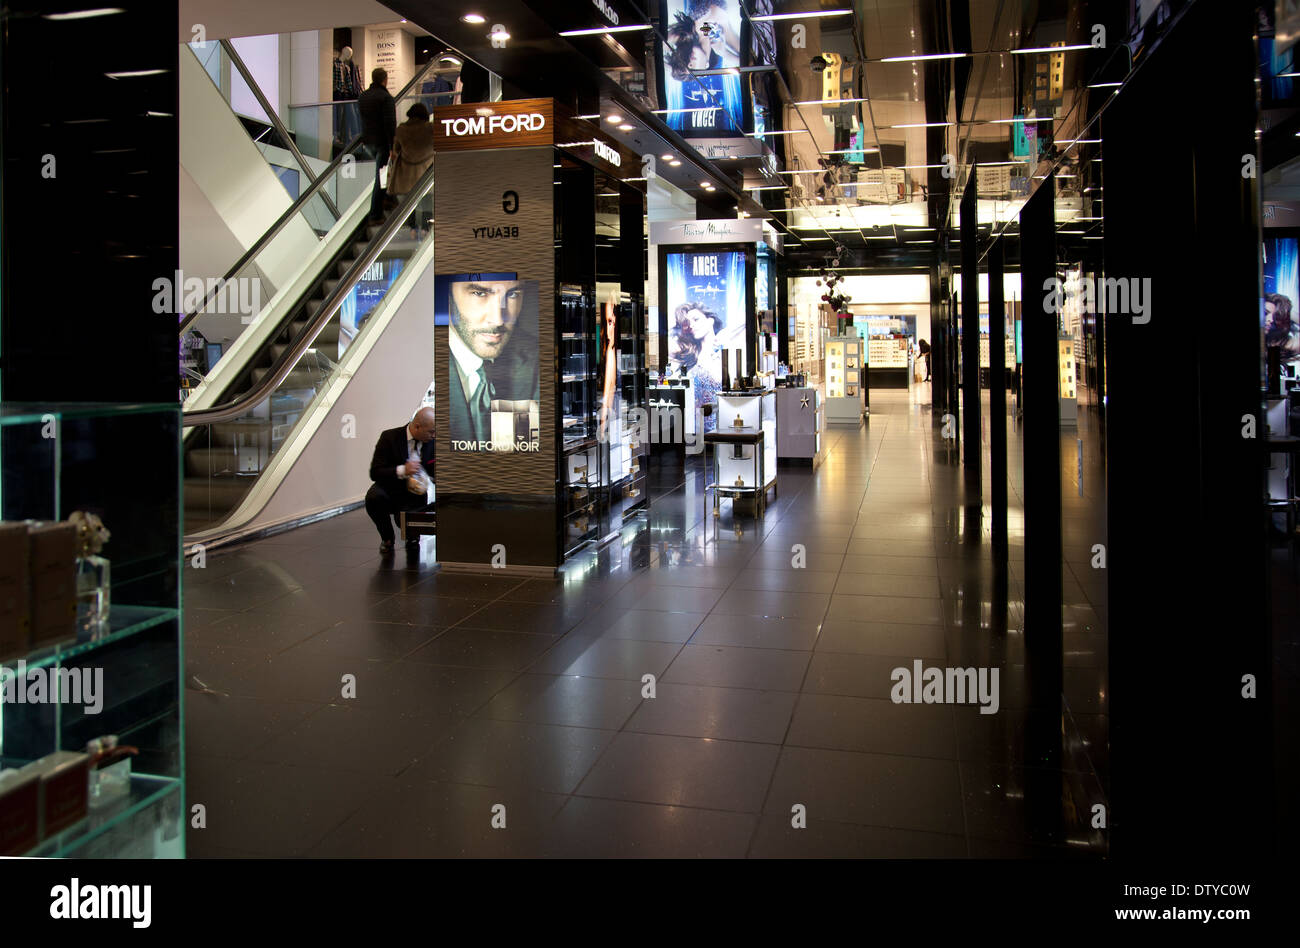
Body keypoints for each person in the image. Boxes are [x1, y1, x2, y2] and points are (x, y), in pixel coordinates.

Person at [447, 277, 531, 445]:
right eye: (479, 293)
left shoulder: (537, 357)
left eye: (513, 294)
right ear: (449, 294)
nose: (498, 319)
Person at [365, 407, 436, 553]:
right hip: (390, 487)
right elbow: (375, 472)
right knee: (373, 497)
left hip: (415, 493)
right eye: (431, 432)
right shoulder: (389, 437)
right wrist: (403, 470)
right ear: (417, 427)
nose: (434, 435)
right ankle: (387, 538)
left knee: (407, 520)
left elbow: (433, 468)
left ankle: (413, 537)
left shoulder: (432, 442)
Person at [672, 301, 723, 432]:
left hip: (720, 421)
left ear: (710, 320)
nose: (693, 325)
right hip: (692, 424)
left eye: (696, 319)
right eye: (690, 322)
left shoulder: (723, 350)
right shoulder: (689, 355)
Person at [387, 102, 436, 238]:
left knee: (410, 201)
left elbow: (396, 150)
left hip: (406, 173)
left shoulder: (401, 130)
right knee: (426, 199)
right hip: (426, 171)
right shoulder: (430, 128)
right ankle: (426, 228)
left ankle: (412, 228)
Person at [358, 67, 396, 224]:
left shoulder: (363, 97)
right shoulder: (386, 98)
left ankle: (388, 198)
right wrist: (392, 146)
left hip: (367, 142)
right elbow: (389, 124)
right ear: (385, 80)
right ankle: (375, 214)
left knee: (381, 175)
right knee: (381, 177)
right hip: (382, 143)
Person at [1265, 293, 1300, 361]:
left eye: (1275, 317)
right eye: (1265, 313)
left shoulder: (1276, 345)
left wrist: (1287, 312)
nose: (1271, 320)